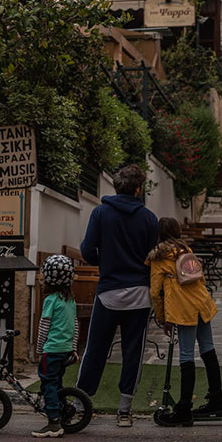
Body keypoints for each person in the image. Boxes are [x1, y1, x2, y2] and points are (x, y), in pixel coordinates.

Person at [76, 164, 158, 427]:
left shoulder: (100, 214)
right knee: (133, 350)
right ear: (138, 189)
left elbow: (87, 250)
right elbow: (152, 258)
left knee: (95, 349)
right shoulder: (148, 218)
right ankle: (124, 410)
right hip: (139, 294)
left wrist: (106, 263)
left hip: (109, 291)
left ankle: (80, 403)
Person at [146, 217, 222, 427]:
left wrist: (163, 318)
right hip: (201, 303)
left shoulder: (158, 257)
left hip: (183, 309)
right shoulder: (185, 250)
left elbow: (155, 293)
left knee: (187, 355)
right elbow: (201, 278)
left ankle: (183, 408)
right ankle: (217, 399)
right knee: (208, 350)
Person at [32, 255, 79, 438]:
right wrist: (73, 347)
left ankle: (53, 422)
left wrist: (39, 348)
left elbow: (44, 326)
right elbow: (75, 325)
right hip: (65, 350)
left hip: (51, 350)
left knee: (48, 383)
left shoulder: (50, 300)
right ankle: (62, 412)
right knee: (57, 383)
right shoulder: (70, 300)